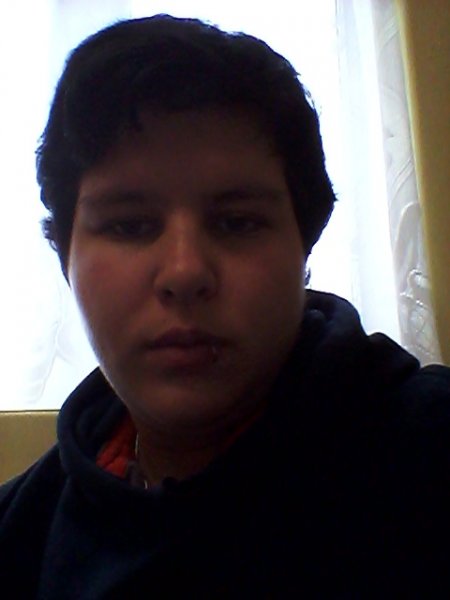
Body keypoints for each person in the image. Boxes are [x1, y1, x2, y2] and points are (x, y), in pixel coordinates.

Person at [1, 14, 449, 598]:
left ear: (305, 242)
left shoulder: (429, 458)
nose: (185, 272)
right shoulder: (21, 534)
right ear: (65, 253)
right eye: (130, 225)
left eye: (237, 222)